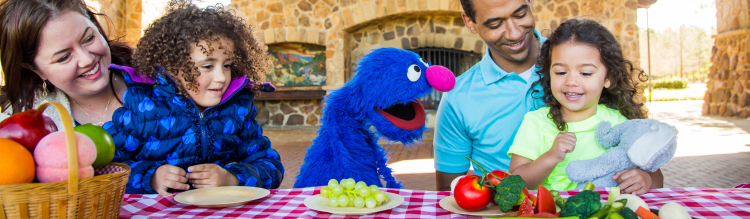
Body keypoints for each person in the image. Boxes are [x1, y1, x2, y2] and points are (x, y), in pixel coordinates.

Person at [104, 1, 283, 196]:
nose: (222, 77)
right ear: (173, 67)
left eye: (227, 65)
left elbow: (271, 167)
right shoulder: (141, 107)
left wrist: (232, 178)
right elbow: (109, 170)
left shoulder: (238, 108)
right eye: (207, 66)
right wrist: (151, 178)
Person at [507, 18, 663, 195]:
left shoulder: (620, 123)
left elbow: (657, 178)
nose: (571, 81)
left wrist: (646, 178)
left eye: (585, 73)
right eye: (561, 72)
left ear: (608, 78)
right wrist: (550, 157)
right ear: (549, 74)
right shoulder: (536, 123)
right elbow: (516, 182)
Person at [433, 0, 545, 191]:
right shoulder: (458, 98)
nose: (515, 33)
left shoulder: (587, 64)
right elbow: (447, 194)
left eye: (520, 15)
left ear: (531, 2)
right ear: (470, 23)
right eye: (495, 24)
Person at [0, 0, 132, 127]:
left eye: (89, 38)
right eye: (64, 57)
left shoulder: (148, 72)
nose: (87, 60)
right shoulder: (23, 125)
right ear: (33, 68)